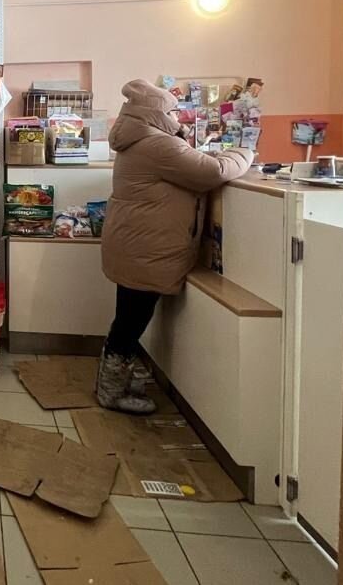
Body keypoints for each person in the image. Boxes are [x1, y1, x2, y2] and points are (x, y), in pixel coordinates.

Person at [97, 79, 255, 414]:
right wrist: (245, 151)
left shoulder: (138, 139)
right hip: (145, 246)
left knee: (128, 317)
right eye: (171, 111)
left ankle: (116, 380)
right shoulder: (157, 144)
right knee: (131, 321)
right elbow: (213, 171)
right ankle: (111, 391)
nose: (177, 118)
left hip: (135, 243)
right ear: (155, 113)